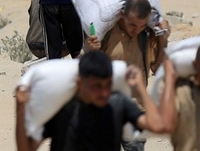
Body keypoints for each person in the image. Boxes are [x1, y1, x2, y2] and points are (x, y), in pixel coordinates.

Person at [15, 50, 169, 151]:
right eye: (97, 86)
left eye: (108, 85)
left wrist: (140, 89)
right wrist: (20, 108)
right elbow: (26, 149)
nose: (104, 93)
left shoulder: (117, 104)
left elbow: (157, 126)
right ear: (80, 84)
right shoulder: (62, 109)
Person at [85, 0, 170, 85]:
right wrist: (92, 51)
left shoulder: (148, 33)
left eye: (142, 26)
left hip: (137, 93)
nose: (137, 30)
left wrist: (163, 39)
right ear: (122, 14)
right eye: (132, 25)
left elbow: (157, 69)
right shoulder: (106, 33)